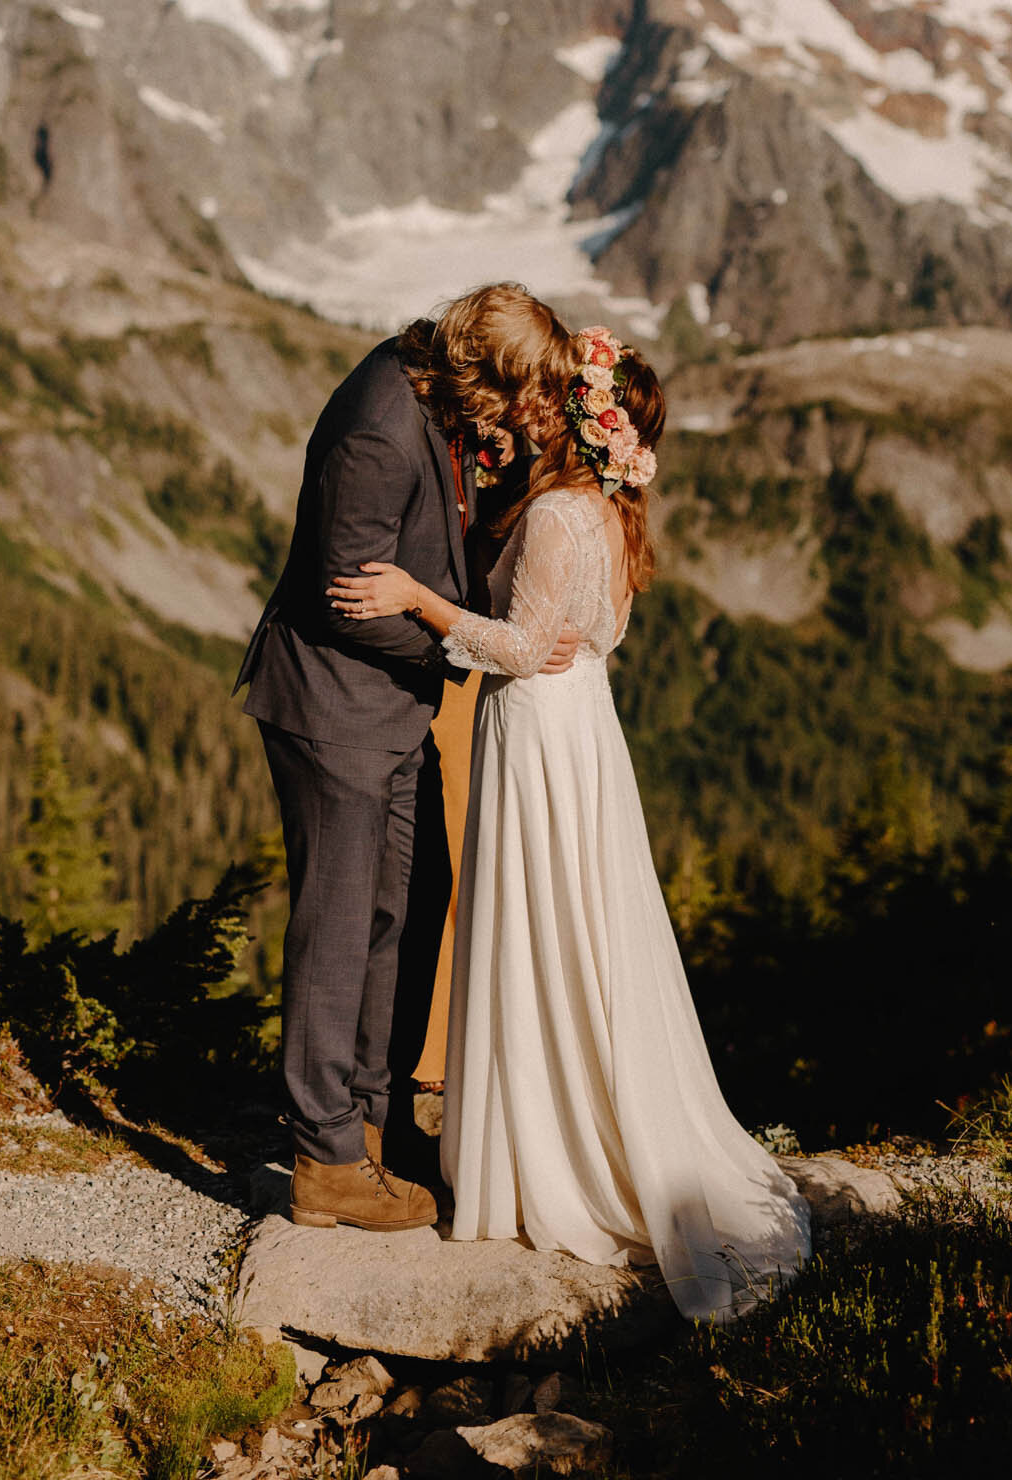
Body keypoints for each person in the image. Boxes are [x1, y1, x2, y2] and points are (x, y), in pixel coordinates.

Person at [329, 326, 811, 1315]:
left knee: (536, 931)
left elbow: (511, 649)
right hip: (580, 731)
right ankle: (561, 1124)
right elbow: (576, 640)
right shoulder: (608, 515)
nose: (540, 407)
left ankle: (539, 1156)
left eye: (561, 397)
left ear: (586, 420)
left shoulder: (556, 514)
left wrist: (413, 595)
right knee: (573, 935)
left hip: (539, 734)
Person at [234, 283, 579, 1233]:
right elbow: (346, 594)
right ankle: (323, 1159)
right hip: (333, 708)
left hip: (388, 714)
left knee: (409, 905)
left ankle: (375, 1125)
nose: (524, 413)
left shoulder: (440, 400)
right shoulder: (380, 428)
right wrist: (468, 645)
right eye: (519, 396)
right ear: (483, 376)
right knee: (338, 927)